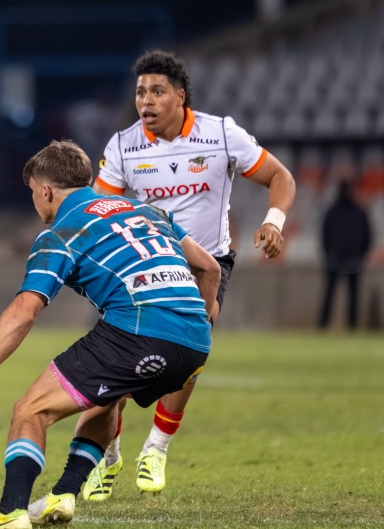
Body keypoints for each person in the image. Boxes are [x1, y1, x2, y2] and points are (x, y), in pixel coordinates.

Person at [0, 140, 220, 529]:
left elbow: (23, 312)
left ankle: (10, 513)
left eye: (33, 192)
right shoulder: (147, 211)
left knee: (30, 411)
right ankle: (63, 494)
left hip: (137, 331)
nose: (35, 200)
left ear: (46, 191)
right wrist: (196, 322)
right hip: (196, 342)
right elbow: (209, 268)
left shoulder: (60, 234)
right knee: (107, 397)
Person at [80, 49, 296, 497]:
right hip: (144, 265)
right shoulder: (123, 146)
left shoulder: (221, 134)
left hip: (207, 265)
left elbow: (281, 177)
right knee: (115, 362)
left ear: (180, 96)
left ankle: (156, 448)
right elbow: (98, 208)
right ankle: (109, 454)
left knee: (188, 354)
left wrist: (273, 222)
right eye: (140, 92)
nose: (146, 100)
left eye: (157, 91)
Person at [318, 180, 372, 329]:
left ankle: (350, 325)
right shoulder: (334, 212)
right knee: (331, 294)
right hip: (336, 259)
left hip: (351, 260)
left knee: (351, 295)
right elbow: (325, 235)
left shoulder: (359, 212)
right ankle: (324, 324)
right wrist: (329, 254)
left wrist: (361, 255)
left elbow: (367, 236)